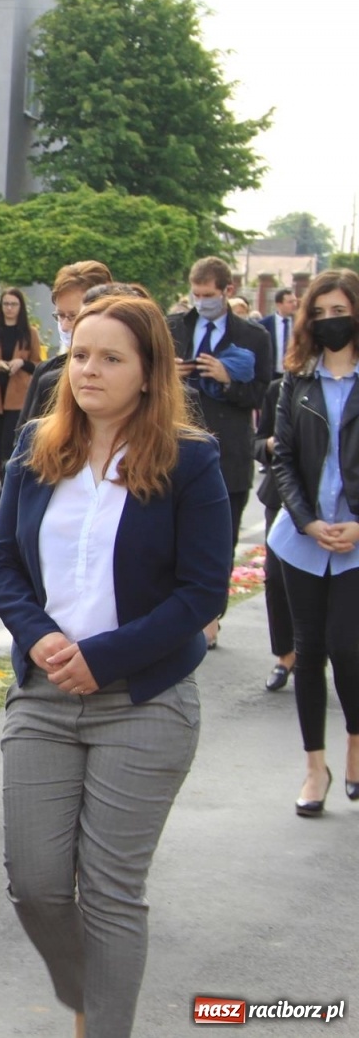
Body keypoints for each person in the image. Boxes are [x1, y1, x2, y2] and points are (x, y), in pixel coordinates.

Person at [0, 294, 230, 1038]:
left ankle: (103, 1025)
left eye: (111, 358)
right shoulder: (37, 445)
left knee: (111, 892)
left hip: (144, 700)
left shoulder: (190, 459)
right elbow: (3, 562)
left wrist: (103, 658)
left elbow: (201, 591)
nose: (88, 370)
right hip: (45, 694)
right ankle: (91, 996)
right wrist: (38, 638)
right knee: (35, 884)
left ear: (149, 372)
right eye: (82, 354)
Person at [266, 268, 359, 816]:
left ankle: (354, 746)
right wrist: (306, 521)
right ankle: (314, 767)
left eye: (339, 311)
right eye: (319, 313)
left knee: (348, 647)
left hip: (355, 542)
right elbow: (281, 458)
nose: (329, 321)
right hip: (302, 540)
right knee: (308, 653)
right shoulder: (297, 379)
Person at [168, 256, 272, 552]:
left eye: (209, 295)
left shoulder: (253, 336)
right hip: (175, 446)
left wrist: (227, 380)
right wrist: (166, 374)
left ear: (228, 291)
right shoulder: (172, 327)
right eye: (196, 295)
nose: (201, 302)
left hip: (228, 454)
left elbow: (262, 394)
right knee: (171, 546)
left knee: (220, 547)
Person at [17, 261, 113, 435]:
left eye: (73, 316)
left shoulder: (127, 373)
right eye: (60, 316)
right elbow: (24, 441)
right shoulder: (47, 375)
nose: (65, 326)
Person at [255, 375, 296, 693]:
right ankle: (286, 656)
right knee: (277, 579)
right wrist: (268, 445)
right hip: (282, 497)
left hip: (338, 505)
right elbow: (257, 442)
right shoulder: (279, 388)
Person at [0, 287, 42, 479]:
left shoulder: (30, 333)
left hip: (18, 397)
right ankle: (4, 483)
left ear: (20, 307)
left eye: (13, 304)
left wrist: (21, 362)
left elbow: (38, 365)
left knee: (10, 442)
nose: (9, 308)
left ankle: (9, 482)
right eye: (6, 304)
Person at [261, 287, 298, 382]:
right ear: (279, 304)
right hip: (272, 376)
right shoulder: (264, 324)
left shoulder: (300, 323)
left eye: (295, 301)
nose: (294, 304)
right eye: (290, 302)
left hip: (294, 375)